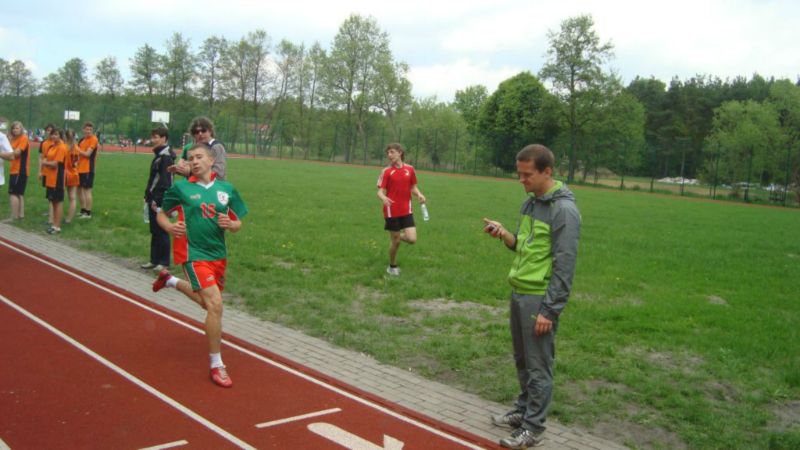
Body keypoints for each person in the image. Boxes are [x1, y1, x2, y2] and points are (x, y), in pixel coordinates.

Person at [483, 144, 581, 449]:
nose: (521, 180)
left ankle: (533, 427)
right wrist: (504, 234)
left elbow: (565, 265)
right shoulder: (531, 203)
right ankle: (523, 411)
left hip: (539, 298)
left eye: (527, 175)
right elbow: (523, 246)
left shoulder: (563, 211)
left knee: (538, 365)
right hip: (520, 291)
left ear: (547, 172)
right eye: (519, 173)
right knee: (523, 360)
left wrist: (550, 310)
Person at [152, 143, 247, 388]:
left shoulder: (226, 189)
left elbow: (238, 222)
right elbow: (161, 213)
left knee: (208, 304)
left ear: (211, 160)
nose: (194, 161)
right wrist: (170, 227)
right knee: (215, 305)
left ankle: (170, 281)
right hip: (193, 253)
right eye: (190, 158)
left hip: (218, 255)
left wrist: (231, 225)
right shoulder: (181, 188)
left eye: (199, 157)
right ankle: (217, 364)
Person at [376, 143, 426, 276]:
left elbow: (413, 187)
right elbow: (379, 192)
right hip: (391, 211)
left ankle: (396, 236)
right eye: (388, 153)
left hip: (406, 210)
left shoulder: (410, 169)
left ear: (400, 152)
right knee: (396, 242)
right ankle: (392, 266)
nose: (389, 155)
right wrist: (383, 198)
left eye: (392, 152)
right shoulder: (386, 171)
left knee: (412, 239)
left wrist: (419, 194)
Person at [141, 126, 175, 271]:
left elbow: (165, 181)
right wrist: (147, 195)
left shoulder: (166, 158)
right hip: (152, 197)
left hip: (160, 198)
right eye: (152, 137)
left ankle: (164, 262)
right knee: (154, 230)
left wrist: (157, 198)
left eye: (156, 137)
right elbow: (153, 178)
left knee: (161, 230)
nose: (153, 140)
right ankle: (154, 260)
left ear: (164, 138)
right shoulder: (159, 155)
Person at [41, 128, 67, 234]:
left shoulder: (61, 147)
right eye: (52, 134)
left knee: (58, 202)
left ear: (60, 136)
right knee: (53, 202)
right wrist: (46, 162)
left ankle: (57, 226)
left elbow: (55, 164)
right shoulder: (52, 146)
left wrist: (45, 163)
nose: (54, 136)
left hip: (57, 178)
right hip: (50, 178)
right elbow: (46, 158)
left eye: (56, 134)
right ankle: (54, 224)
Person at [76, 121, 99, 219]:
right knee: (78, 190)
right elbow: (77, 154)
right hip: (79, 168)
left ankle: (88, 213)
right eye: (87, 129)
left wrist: (76, 149)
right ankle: (83, 210)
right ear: (83, 130)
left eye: (90, 129)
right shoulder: (81, 140)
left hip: (88, 168)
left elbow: (87, 154)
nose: (88, 131)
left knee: (87, 190)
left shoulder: (94, 139)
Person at [63, 129, 81, 223]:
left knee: (58, 197)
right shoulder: (77, 148)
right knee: (72, 197)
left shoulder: (64, 147)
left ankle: (55, 217)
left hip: (65, 173)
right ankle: (69, 218)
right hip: (74, 173)